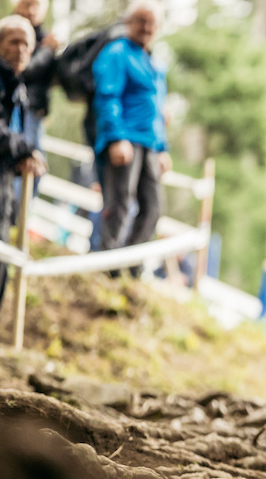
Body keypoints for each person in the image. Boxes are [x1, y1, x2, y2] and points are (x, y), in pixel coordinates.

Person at [92, 0, 171, 276]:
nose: (146, 27)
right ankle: (106, 269)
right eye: (141, 20)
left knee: (153, 208)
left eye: (152, 22)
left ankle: (131, 267)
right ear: (129, 22)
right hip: (124, 140)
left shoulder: (155, 63)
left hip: (149, 144)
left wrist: (163, 148)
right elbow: (107, 97)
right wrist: (115, 138)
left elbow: (157, 111)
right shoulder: (116, 53)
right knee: (120, 203)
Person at [0, 15, 47, 346]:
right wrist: (25, 148)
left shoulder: (17, 86)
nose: (21, 49)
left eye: (27, 43)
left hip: (0, 191)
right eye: (14, 41)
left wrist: (20, 153)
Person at [11, 0, 58, 154]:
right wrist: (47, 51)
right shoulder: (13, 32)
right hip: (19, 107)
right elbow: (23, 70)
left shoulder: (43, 35)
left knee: (35, 163)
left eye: (36, 6)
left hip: (35, 110)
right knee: (24, 158)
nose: (31, 11)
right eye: (27, 5)